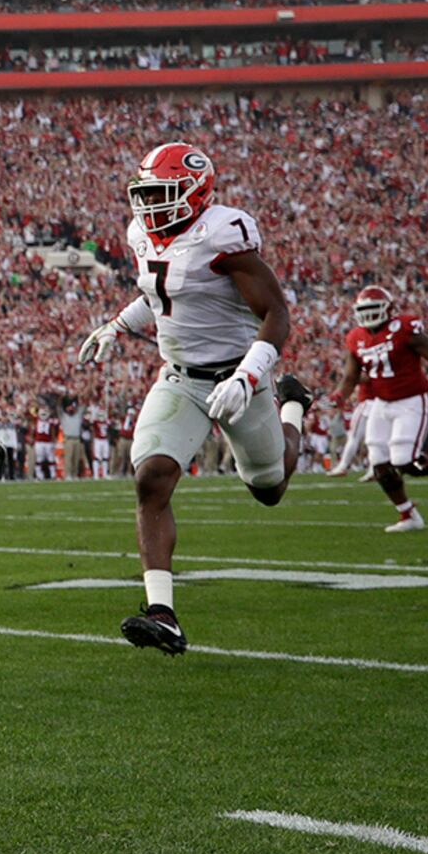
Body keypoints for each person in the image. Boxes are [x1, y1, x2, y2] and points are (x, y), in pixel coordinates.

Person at [77, 142, 316, 655]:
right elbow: (160, 294)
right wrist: (117, 326)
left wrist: (250, 378)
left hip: (239, 376)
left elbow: (276, 314)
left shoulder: (223, 235)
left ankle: (293, 406)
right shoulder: (141, 233)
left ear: (197, 192)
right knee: (151, 476)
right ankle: (162, 613)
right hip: (181, 377)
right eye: (146, 194)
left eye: (164, 194)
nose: (152, 205)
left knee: (269, 486)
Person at [328, 285, 428, 531]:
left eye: (373, 309)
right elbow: (350, 377)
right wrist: (339, 395)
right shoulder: (355, 337)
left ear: (389, 309)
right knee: (379, 462)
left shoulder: (403, 329)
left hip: (413, 399)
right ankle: (408, 515)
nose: (369, 315)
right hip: (381, 402)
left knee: (404, 460)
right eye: (364, 310)